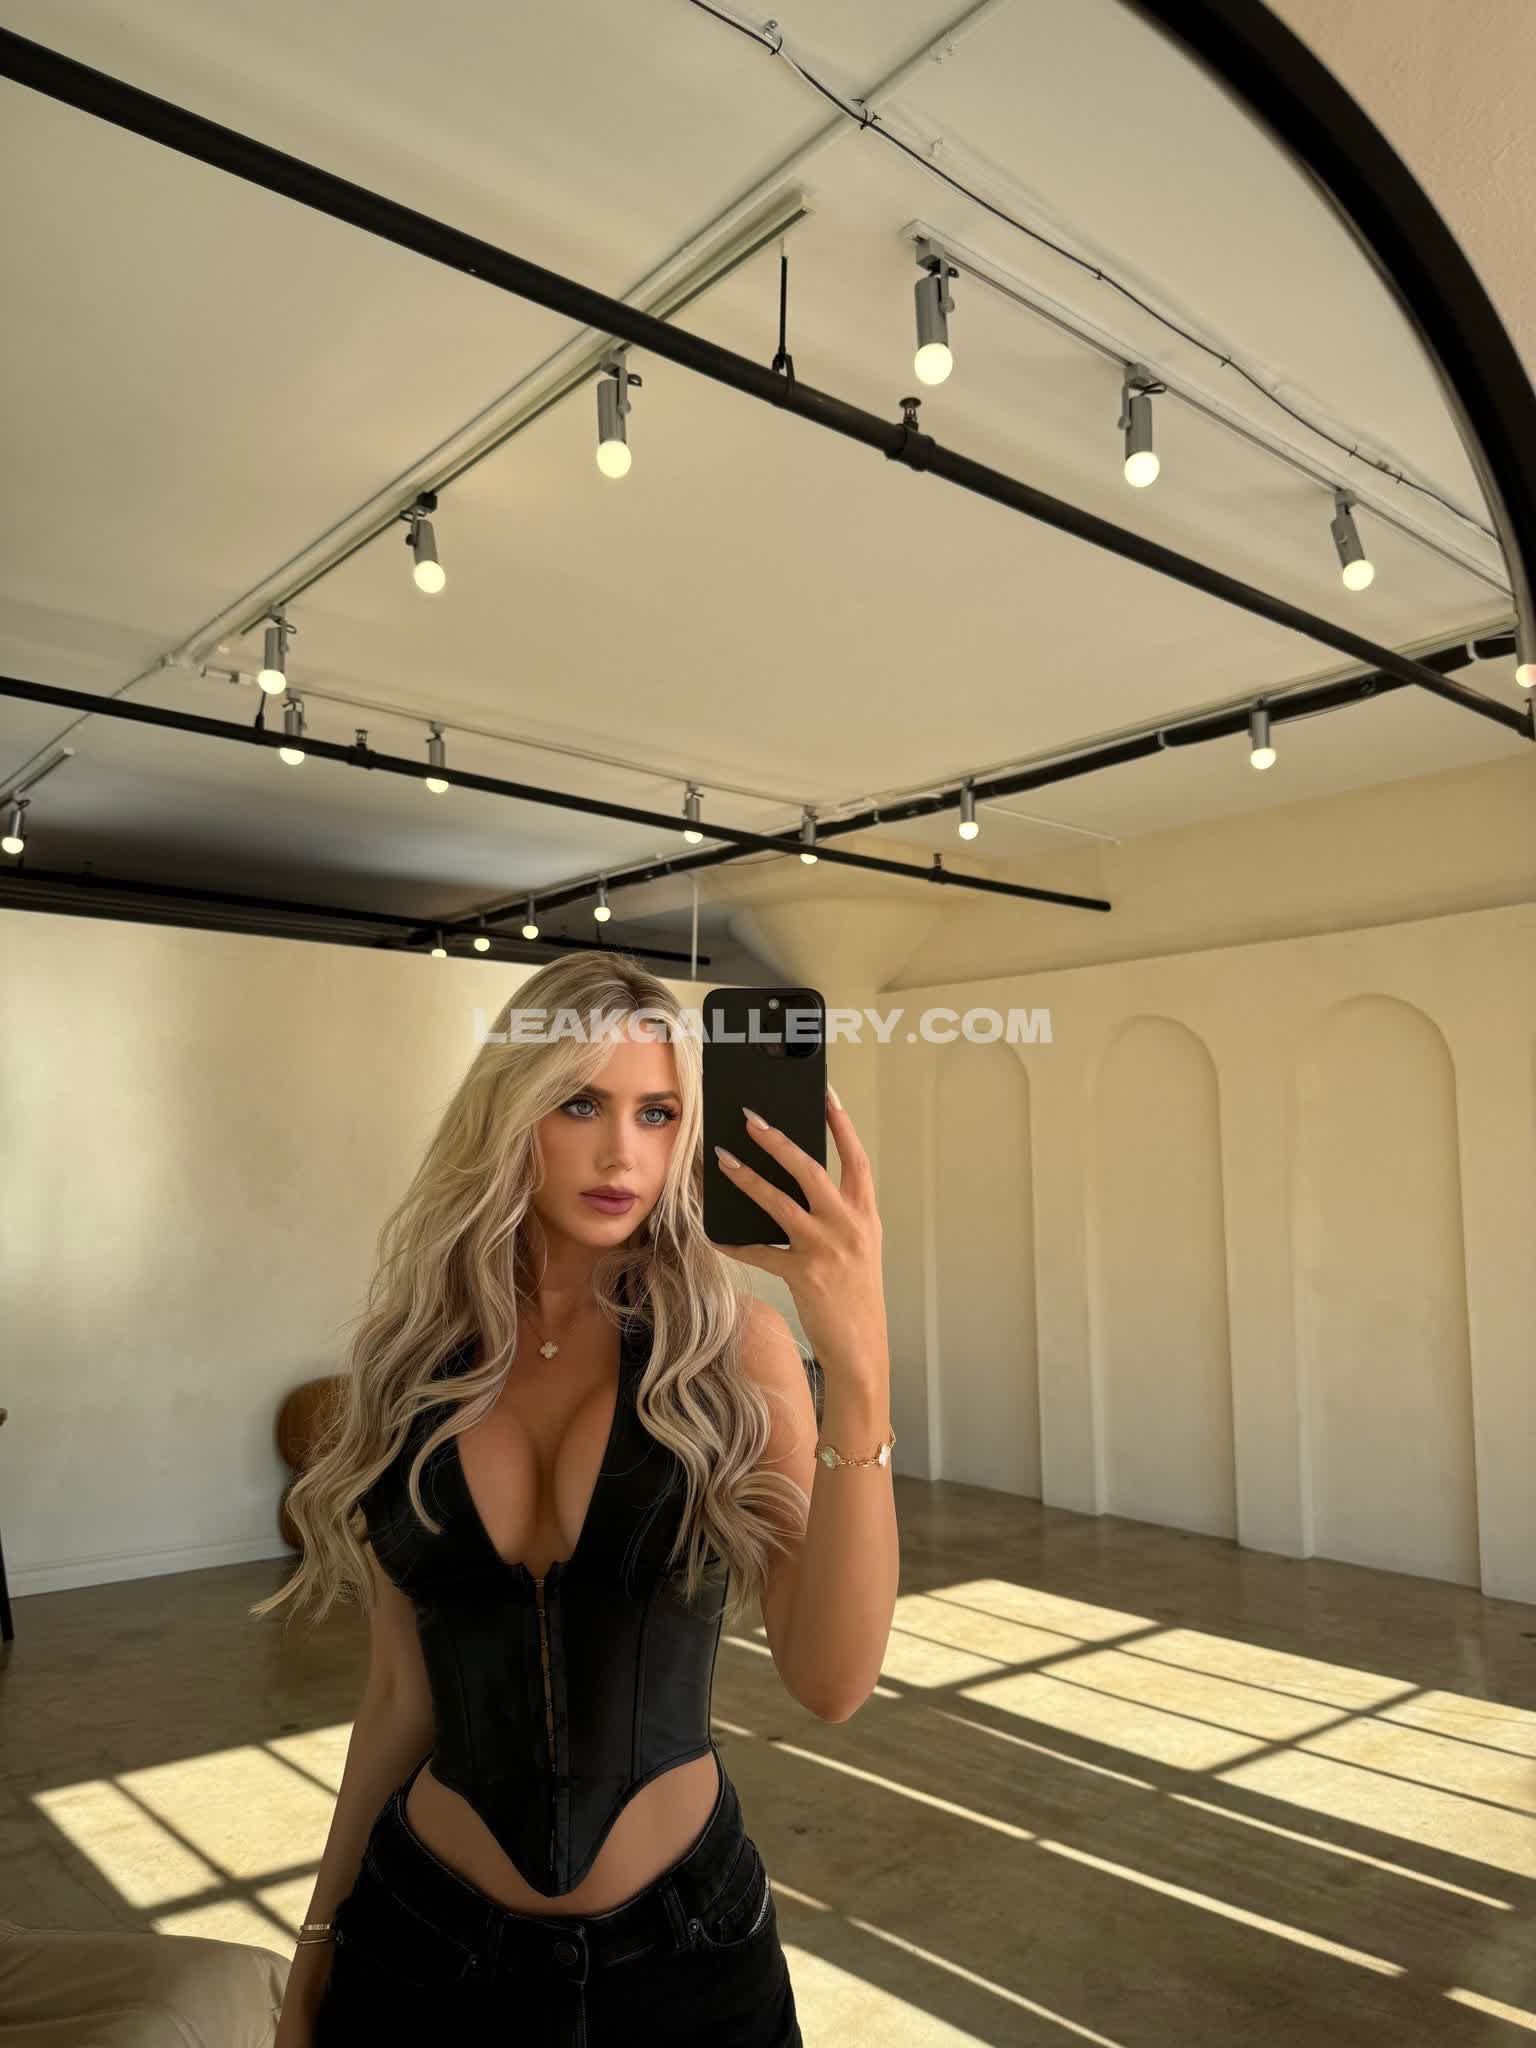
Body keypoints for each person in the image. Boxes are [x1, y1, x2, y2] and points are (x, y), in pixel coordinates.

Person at [254, 952, 899, 2046]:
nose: (621, 1154)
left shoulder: (733, 1353)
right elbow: (400, 1695)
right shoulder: (411, 1364)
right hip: (421, 1950)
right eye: (580, 1103)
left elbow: (831, 1682)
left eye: (657, 1113)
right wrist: (319, 1942)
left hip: (690, 1961)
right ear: (512, 1110)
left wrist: (860, 1362)